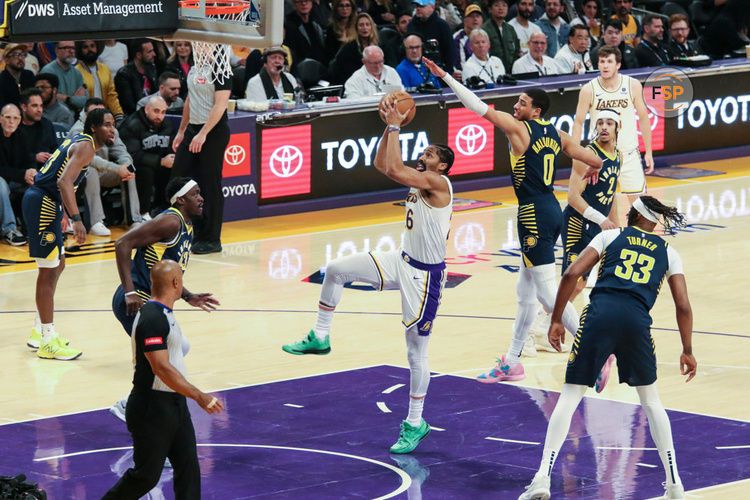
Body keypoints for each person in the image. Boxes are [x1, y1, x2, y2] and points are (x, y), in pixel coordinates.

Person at [282, 96, 455, 455]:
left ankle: (415, 421)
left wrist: (395, 124)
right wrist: (387, 127)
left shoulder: (438, 185)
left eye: (430, 154)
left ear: (443, 165)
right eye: (422, 151)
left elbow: (394, 170)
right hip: (401, 260)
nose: (423, 155)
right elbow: (383, 164)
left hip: (425, 277)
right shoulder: (421, 177)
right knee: (337, 270)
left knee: (416, 351)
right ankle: (320, 336)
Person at [423, 56, 605, 381]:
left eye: (522, 103)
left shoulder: (518, 129)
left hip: (533, 213)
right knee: (524, 293)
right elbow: (594, 158)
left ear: (536, 110)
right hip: (550, 208)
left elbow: (479, 107)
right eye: (517, 101)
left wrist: (446, 77)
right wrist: (594, 167)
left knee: (548, 294)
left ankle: (596, 350)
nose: (516, 105)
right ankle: (513, 360)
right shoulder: (556, 134)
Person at [517, 196, 696, 500]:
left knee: (571, 395)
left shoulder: (609, 235)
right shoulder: (668, 252)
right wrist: (687, 349)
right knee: (651, 402)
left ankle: (542, 479)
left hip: (599, 316)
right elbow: (683, 305)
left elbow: (572, 273)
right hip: (636, 322)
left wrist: (557, 318)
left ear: (636, 217)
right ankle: (675, 485)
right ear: (653, 223)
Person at [102, 259, 224, 500]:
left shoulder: (164, 313)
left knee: (188, 469)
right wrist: (200, 396)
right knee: (146, 476)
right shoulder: (152, 317)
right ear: (176, 282)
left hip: (174, 404)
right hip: (151, 407)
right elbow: (161, 368)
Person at [109, 177, 218, 421]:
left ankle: (135, 405)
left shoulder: (186, 225)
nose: (201, 198)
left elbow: (167, 269)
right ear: (181, 199)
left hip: (154, 304)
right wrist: (130, 292)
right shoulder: (170, 222)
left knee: (176, 351)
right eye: (195, 194)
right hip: (137, 302)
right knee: (163, 360)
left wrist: (188, 295)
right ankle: (141, 408)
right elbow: (122, 244)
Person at [22, 108, 116, 359]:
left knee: (58, 265)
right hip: (42, 202)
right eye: (107, 124)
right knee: (48, 269)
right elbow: (64, 182)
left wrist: (61, 211)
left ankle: (38, 331)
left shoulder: (79, 141)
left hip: (49, 202)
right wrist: (77, 219)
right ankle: (48, 341)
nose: (112, 129)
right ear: (94, 127)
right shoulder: (85, 146)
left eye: (113, 125)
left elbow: (60, 180)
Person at [539, 110, 621, 358]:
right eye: (600, 123)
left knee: (580, 283)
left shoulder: (617, 155)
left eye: (609, 123)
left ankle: (545, 324)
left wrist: (616, 225)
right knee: (573, 280)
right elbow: (572, 198)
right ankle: (540, 326)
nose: (604, 127)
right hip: (578, 222)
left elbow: (612, 192)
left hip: (598, 224)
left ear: (619, 127)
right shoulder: (587, 155)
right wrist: (602, 220)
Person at [572, 46, 654, 204]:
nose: (604, 65)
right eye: (601, 62)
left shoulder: (633, 85)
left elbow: (643, 117)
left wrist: (648, 151)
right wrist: (577, 154)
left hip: (628, 153)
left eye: (609, 61)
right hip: (600, 157)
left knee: (640, 206)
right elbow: (578, 122)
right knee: (602, 207)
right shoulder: (589, 89)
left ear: (618, 65)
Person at [170, 60, 232, 255]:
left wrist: (203, 133)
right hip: (193, 129)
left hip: (213, 132)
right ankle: (184, 229)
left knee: (209, 184)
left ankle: (211, 238)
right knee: (179, 177)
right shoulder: (194, 68)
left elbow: (220, 106)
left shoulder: (222, 71)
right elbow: (191, 99)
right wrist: (182, 130)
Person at [68, 98, 138, 235]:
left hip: (104, 171)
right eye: (96, 113)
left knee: (128, 171)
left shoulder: (109, 128)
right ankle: (96, 222)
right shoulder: (78, 130)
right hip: (76, 177)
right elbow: (89, 159)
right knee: (89, 170)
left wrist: (125, 165)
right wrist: (117, 169)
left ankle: (133, 219)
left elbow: (121, 151)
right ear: (86, 114)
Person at [118, 96, 175, 219]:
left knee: (175, 168)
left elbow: (170, 148)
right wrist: (161, 161)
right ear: (146, 109)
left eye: (163, 112)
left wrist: (171, 158)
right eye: (156, 111)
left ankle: (165, 208)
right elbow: (133, 155)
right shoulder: (132, 124)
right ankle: (143, 213)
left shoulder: (166, 124)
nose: (159, 116)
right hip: (133, 165)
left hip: (156, 161)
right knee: (146, 171)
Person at [0, 104, 32, 245]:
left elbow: (30, 160)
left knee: (39, 181)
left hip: (14, 180)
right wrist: (22, 174)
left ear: (19, 120)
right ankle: (9, 230)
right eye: (7, 117)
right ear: (0, 119)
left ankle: (37, 228)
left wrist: (31, 172)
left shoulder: (22, 136)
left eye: (15, 118)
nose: (11, 121)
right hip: (3, 182)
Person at [75, 40, 125, 121]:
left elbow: (111, 95)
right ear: (80, 50)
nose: (89, 49)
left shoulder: (105, 69)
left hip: (104, 115)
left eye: (92, 46)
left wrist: (118, 114)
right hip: (84, 117)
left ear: (97, 48)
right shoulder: (76, 71)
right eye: (85, 47)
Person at [330, 12, 381, 85]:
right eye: (361, 25)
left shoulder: (378, 46)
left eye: (367, 24)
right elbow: (347, 74)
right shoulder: (349, 48)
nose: (365, 28)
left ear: (372, 27)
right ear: (356, 28)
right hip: (354, 83)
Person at [407, 0, 455, 73]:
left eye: (422, 6)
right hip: (416, 69)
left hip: (438, 70)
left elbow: (449, 52)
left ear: (432, 6)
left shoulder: (442, 26)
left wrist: (447, 74)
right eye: (417, 6)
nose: (418, 9)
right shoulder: (411, 25)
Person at [40, 41, 88, 113]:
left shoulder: (77, 73)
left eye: (73, 48)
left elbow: (85, 101)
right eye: (66, 48)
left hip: (74, 119)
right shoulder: (48, 71)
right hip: (54, 118)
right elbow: (48, 100)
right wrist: (75, 100)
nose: (71, 51)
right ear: (57, 51)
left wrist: (67, 99)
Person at [114, 39, 158, 115]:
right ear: (139, 55)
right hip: (135, 117)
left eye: (153, 50)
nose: (154, 54)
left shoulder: (151, 69)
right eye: (149, 51)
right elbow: (129, 106)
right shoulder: (124, 74)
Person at [18, 88, 58, 170]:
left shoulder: (47, 125)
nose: (39, 110)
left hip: (45, 171)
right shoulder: (14, 125)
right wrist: (34, 157)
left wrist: (52, 156)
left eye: (41, 106)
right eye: (34, 106)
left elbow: (54, 148)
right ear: (24, 107)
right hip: (20, 172)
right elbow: (10, 157)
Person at [284, 0, 327, 70]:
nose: (304, 4)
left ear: (312, 4)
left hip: (320, 67)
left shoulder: (317, 20)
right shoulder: (289, 24)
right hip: (300, 68)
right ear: (294, 5)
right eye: (299, 1)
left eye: (307, 1)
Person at [482, 0, 521, 73]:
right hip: (493, 71)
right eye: (497, 5)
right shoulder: (484, 29)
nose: (501, 8)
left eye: (504, 5)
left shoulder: (510, 29)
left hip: (511, 71)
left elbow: (516, 51)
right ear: (490, 9)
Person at [452, 4, 485, 79]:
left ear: (482, 20)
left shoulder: (484, 36)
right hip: (467, 78)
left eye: (478, 16)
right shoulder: (458, 38)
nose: (475, 19)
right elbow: (460, 67)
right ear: (465, 21)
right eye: (471, 16)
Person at [0, 44, 36, 110]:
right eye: (16, 55)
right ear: (6, 60)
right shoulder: (1, 80)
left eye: (23, 55)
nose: (20, 58)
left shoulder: (29, 75)